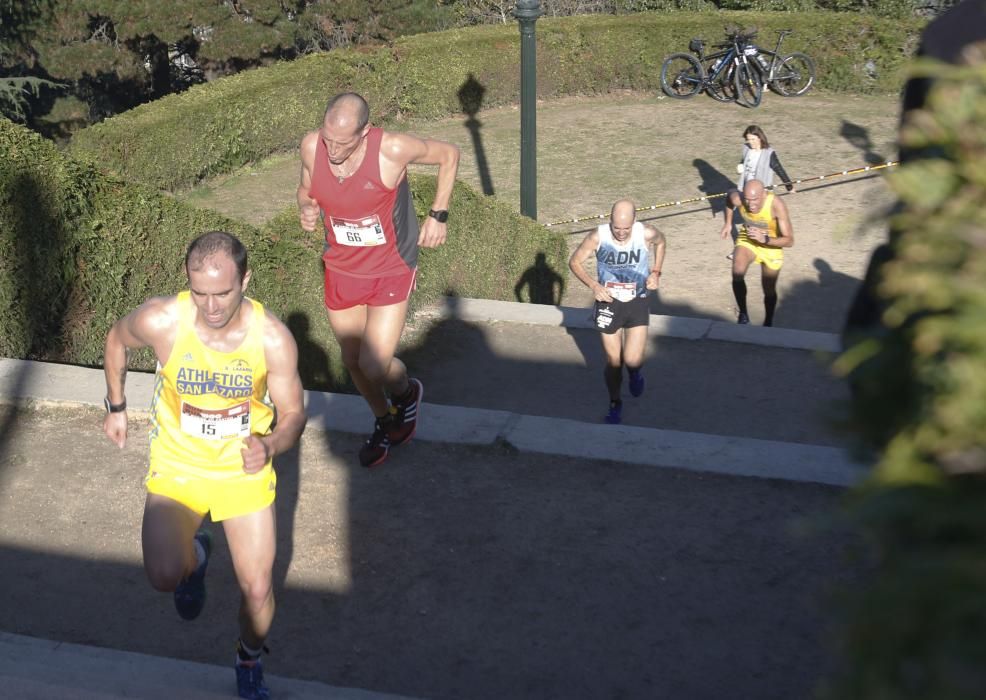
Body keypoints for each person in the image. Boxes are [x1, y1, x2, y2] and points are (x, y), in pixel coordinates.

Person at [102, 231, 306, 700]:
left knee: (257, 590)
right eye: (200, 294)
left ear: (246, 280)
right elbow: (116, 339)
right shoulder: (164, 320)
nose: (211, 307)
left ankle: (248, 658)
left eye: (223, 293)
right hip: (179, 464)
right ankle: (196, 558)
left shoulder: (272, 338)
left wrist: (270, 445)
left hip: (242, 470)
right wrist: (115, 406)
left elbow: (294, 414)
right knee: (162, 575)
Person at [297, 92, 460, 468]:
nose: (332, 149)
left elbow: (449, 154)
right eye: (328, 138)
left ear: (365, 131)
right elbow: (306, 189)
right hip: (341, 266)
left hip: (390, 266)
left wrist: (438, 214)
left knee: (374, 364)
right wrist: (306, 207)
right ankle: (385, 421)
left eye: (343, 142)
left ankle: (406, 392)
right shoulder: (311, 146)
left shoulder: (392, 149)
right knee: (352, 360)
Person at [569, 199, 666, 424]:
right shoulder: (597, 236)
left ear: (635, 221)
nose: (621, 233)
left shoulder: (647, 233)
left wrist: (656, 272)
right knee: (613, 361)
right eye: (617, 228)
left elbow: (661, 243)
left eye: (626, 229)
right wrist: (594, 285)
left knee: (632, 360)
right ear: (610, 221)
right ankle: (615, 402)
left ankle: (634, 373)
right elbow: (574, 262)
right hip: (608, 301)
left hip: (637, 299)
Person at [719, 180, 795, 326]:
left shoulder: (776, 205)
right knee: (737, 271)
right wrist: (728, 223)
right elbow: (729, 196)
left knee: (769, 289)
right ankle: (743, 313)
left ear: (764, 195)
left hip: (771, 246)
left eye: (754, 200)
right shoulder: (739, 199)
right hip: (749, 240)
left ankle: (768, 322)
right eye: (747, 200)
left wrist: (765, 239)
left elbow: (789, 241)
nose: (750, 205)